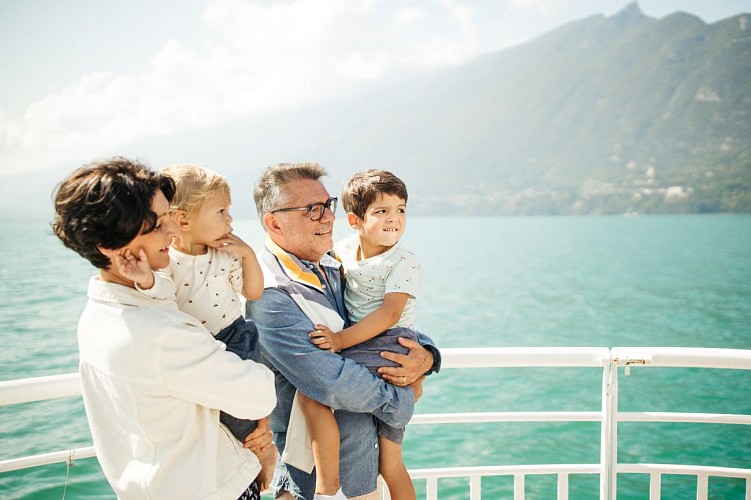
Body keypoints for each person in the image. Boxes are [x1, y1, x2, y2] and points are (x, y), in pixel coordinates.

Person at [52, 157, 277, 500]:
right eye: (158, 224)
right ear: (113, 246)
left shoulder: (97, 316)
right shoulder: (162, 336)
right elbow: (259, 394)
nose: (172, 231)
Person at [246, 162, 441, 500]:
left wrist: (426, 357)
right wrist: (401, 397)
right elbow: (329, 382)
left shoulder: (331, 262)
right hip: (310, 471)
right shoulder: (270, 293)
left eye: (328, 205)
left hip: (360, 460)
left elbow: (381, 319)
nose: (327, 218)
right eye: (312, 210)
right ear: (274, 222)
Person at [133, 163, 276, 490]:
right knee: (222, 416)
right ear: (183, 220)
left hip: (235, 338)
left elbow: (252, 292)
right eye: (221, 211)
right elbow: (160, 298)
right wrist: (143, 280)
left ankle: (262, 455)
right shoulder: (166, 261)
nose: (230, 220)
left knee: (245, 415)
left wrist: (249, 255)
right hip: (197, 348)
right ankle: (255, 456)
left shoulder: (225, 255)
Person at [302, 169, 421, 500]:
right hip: (361, 346)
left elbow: (390, 314)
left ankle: (326, 489)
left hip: (387, 345)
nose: (394, 218)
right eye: (381, 211)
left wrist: (339, 341)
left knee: (391, 464)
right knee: (381, 460)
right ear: (355, 221)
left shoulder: (404, 261)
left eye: (400, 209)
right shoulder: (344, 250)